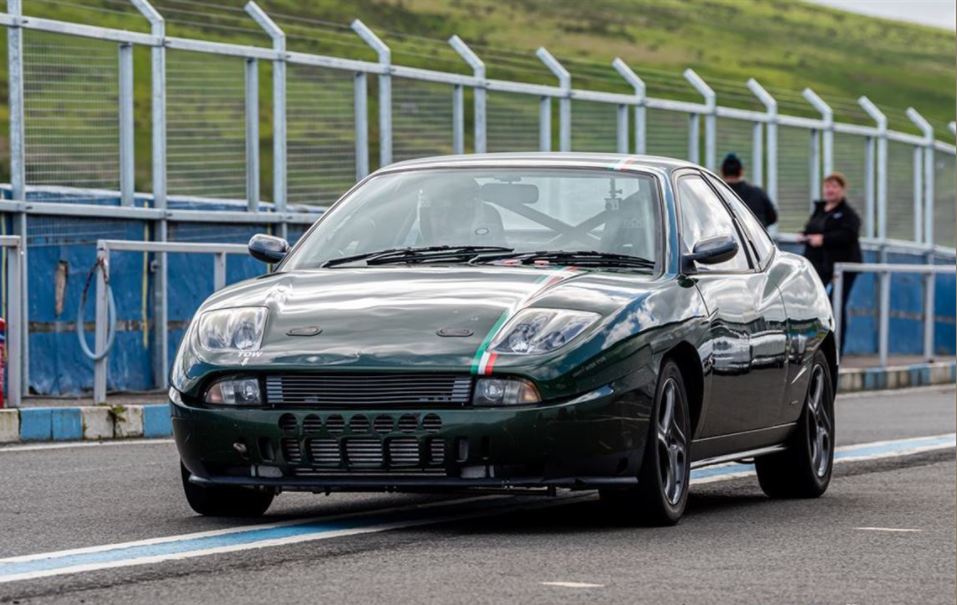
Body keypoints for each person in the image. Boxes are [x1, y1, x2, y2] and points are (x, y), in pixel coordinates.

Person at [800, 172, 863, 355]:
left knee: (836, 306)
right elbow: (812, 228)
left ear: (842, 190)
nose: (830, 190)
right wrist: (804, 236)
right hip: (819, 266)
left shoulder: (847, 214)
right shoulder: (820, 209)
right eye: (827, 186)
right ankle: (813, 349)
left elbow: (850, 234)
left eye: (834, 186)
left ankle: (836, 352)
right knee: (812, 306)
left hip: (841, 268)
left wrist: (824, 239)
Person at [720, 152, 778, 228]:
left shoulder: (715, 194)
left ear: (722, 171)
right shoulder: (758, 193)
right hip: (756, 238)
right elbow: (772, 218)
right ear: (741, 171)